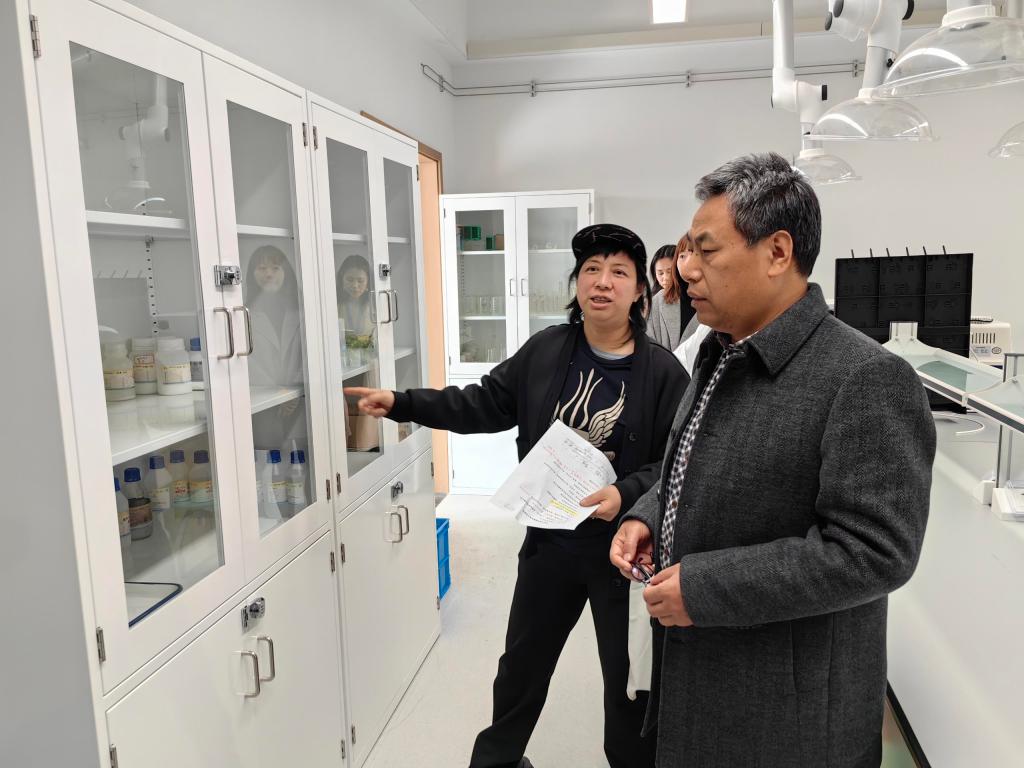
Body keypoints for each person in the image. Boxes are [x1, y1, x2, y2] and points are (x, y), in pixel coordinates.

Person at [610, 152, 936, 768]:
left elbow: (874, 552)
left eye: (707, 251)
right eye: (687, 250)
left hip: (787, 719)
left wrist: (704, 589)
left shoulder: (864, 377)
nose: (686, 269)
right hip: (703, 679)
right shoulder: (720, 350)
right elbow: (694, 458)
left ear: (778, 252)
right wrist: (649, 515)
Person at [347, 224, 689, 768]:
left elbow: (674, 465)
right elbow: (481, 402)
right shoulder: (547, 351)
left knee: (626, 682)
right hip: (551, 544)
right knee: (521, 668)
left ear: (639, 291)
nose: (602, 282)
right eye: (591, 270)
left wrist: (624, 493)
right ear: (576, 283)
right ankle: (498, 762)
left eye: (618, 272)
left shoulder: (664, 373)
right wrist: (403, 402)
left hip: (622, 555)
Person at [245, 244, 304, 389]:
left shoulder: (302, 311)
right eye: (262, 268)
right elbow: (248, 364)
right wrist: (275, 391)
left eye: (276, 268)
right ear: (252, 274)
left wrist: (295, 387)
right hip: (263, 395)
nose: (269, 274)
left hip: (302, 393)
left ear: (286, 273)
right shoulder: (244, 315)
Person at [646, 236, 696, 350]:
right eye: (660, 273)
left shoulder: (703, 296)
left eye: (669, 271)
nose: (666, 278)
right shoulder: (656, 301)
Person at [337, 253, 374, 339]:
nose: (355, 285)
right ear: (341, 279)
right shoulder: (333, 304)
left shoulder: (375, 305)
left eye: (360, 281)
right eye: (349, 280)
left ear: (368, 282)